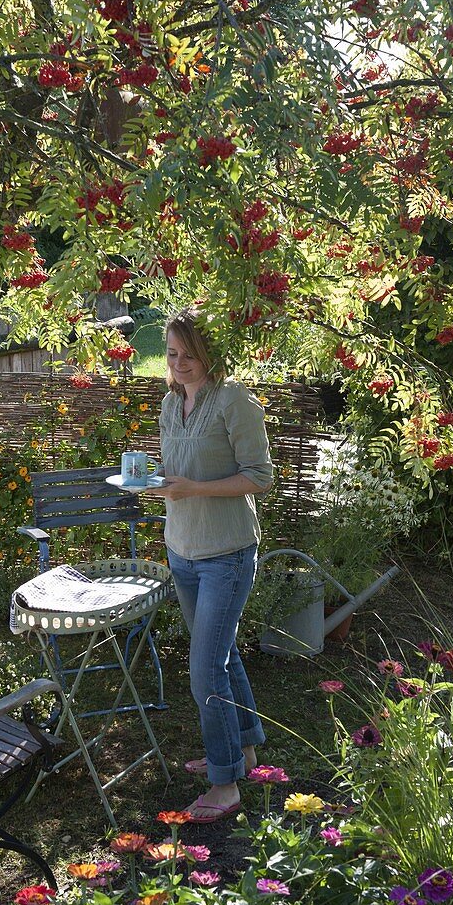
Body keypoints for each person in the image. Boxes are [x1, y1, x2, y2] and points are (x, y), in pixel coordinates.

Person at [155, 307, 273, 822]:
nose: (180, 363)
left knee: (205, 671)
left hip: (226, 554)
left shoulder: (234, 400)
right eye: (172, 353)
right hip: (182, 550)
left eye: (189, 353)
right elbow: (172, 470)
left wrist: (195, 489)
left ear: (208, 351)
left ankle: (224, 787)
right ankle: (243, 750)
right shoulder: (169, 402)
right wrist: (153, 481)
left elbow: (260, 476)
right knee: (221, 656)